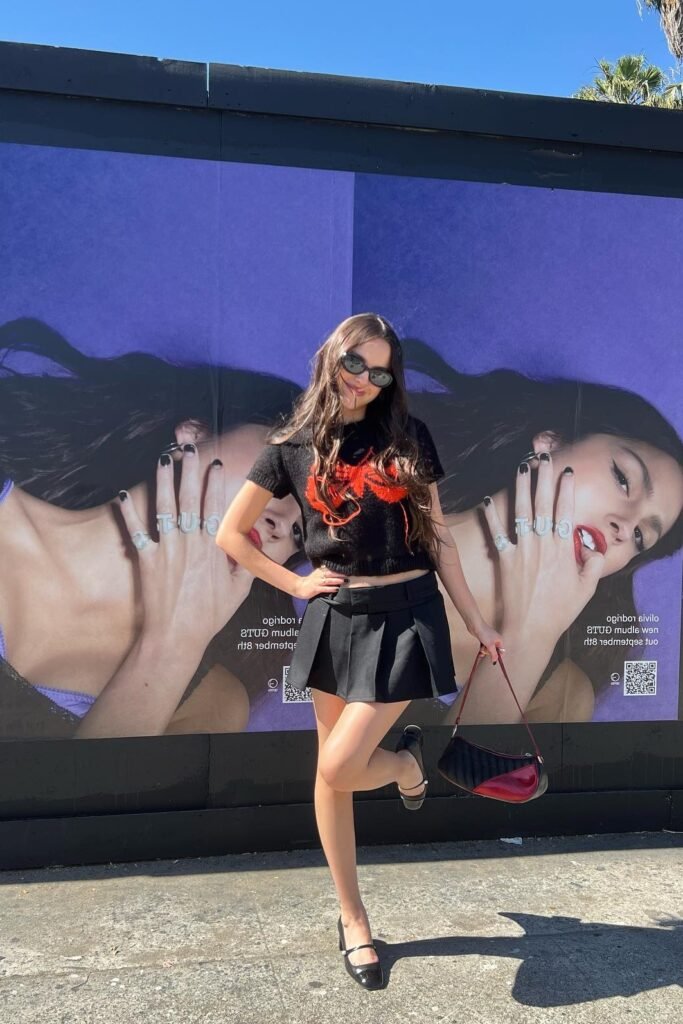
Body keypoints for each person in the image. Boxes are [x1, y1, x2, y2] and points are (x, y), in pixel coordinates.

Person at [216, 312, 502, 990]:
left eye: (380, 372)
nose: (365, 382)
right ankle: (353, 918)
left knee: (343, 766)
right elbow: (232, 534)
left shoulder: (407, 438)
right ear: (330, 358)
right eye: (355, 365)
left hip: (407, 612)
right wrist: (294, 582)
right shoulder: (289, 446)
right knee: (331, 773)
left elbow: (440, 540)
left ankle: (404, 765)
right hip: (335, 614)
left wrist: (475, 619)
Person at [0, 317, 305, 738]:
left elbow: (82, 804)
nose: (282, 521)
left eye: (302, 532)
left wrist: (172, 644)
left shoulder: (211, 703)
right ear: (192, 435)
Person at [403, 338, 683, 725]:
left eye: (641, 537)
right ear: (549, 443)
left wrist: (530, 638)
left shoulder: (561, 694)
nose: (625, 526)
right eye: (623, 478)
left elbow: (454, 784)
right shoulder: (376, 523)